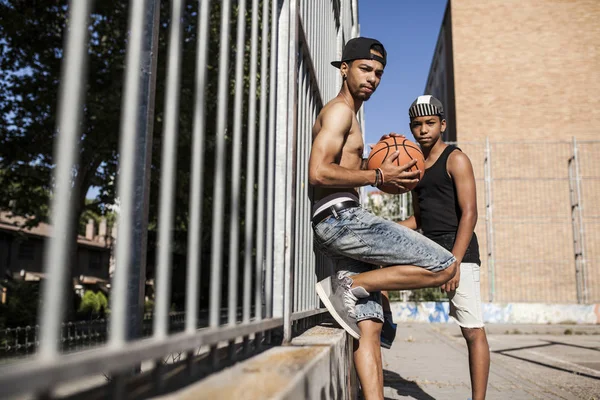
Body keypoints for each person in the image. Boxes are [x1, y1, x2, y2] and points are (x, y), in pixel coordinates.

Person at [308, 37, 457, 400]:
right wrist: (377, 176)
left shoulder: (352, 115)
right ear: (344, 69)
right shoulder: (340, 111)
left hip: (342, 218)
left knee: (369, 324)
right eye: (365, 69)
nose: (373, 78)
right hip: (341, 219)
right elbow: (318, 172)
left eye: (379, 73)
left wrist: (376, 158)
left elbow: (344, 165)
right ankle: (353, 283)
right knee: (444, 265)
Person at [400, 95, 490, 400]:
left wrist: (454, 260)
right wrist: (380, 228)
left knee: (472, 330)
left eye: (429, 123)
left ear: (442, 124)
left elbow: (470, 213)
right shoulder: (415, 165)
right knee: (381, 275)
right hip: (429, 251)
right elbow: (419, 220)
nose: (423, 129)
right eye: (417, 124)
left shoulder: (456, 158)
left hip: (458, 254)